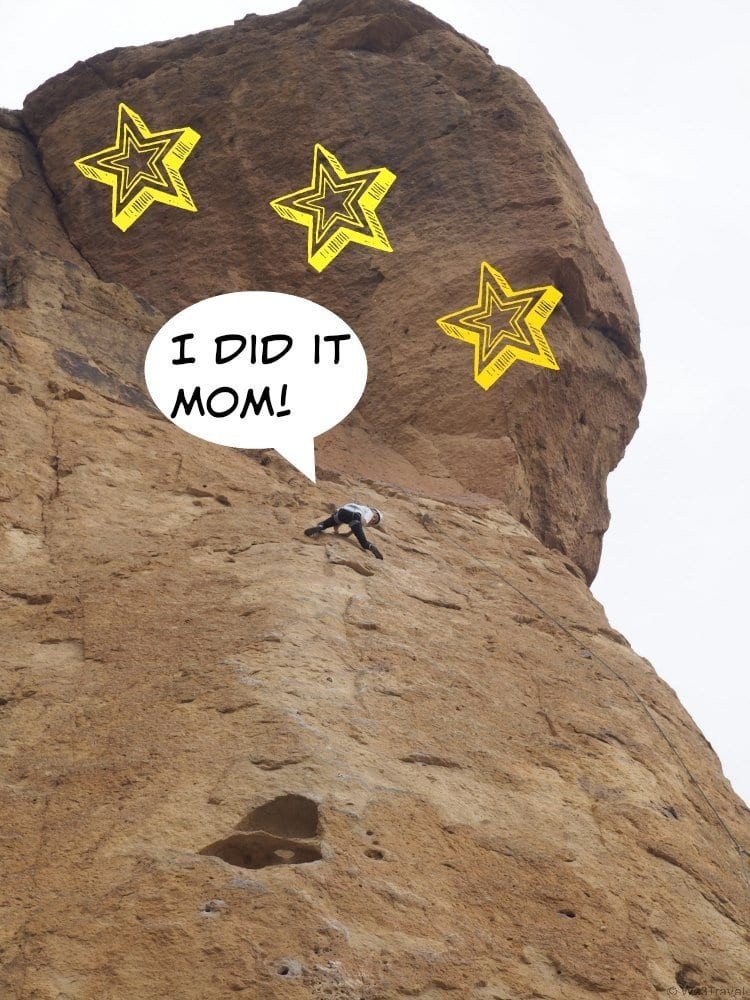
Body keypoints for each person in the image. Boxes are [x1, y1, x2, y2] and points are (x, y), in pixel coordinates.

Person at [305, 502, 384, 559]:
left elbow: (337, 513)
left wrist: (337, 529)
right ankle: (371, 547)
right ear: (374, 511)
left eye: (374, 521)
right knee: (363, 543)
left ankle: (320, 526)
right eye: (375, 517)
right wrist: (347, 534)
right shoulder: (369, 513)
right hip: (356, 517)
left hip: (342, 512)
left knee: (325, 523)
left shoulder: (358, 506)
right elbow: (357, 527)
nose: (373, 519)